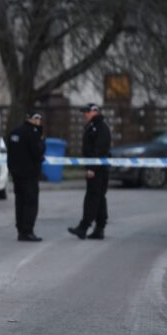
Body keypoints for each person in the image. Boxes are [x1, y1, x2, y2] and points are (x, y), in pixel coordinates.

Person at [68, 103, 112, 240]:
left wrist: (92, 168)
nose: (85, 114)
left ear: (95, 112)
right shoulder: (92, 126)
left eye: (87, 112)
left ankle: (84, 227)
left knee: (93, 197)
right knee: (99, 198)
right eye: (84, 112)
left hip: (98, 169)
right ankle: (99, 229)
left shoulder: (100, 127)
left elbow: (99, 149)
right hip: (95, 167)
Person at [7, 111, 46, 241]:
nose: (39, 121)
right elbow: (38, 151)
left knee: (20, 202)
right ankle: (27, 231)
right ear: (33, 120)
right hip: (29, 173)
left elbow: (10, 153)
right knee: (30, 202)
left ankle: (20, 230)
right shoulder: (33, 133)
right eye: (38, 118)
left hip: (16, 173)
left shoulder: (14, 132)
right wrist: (41, 140)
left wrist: (12, 169)